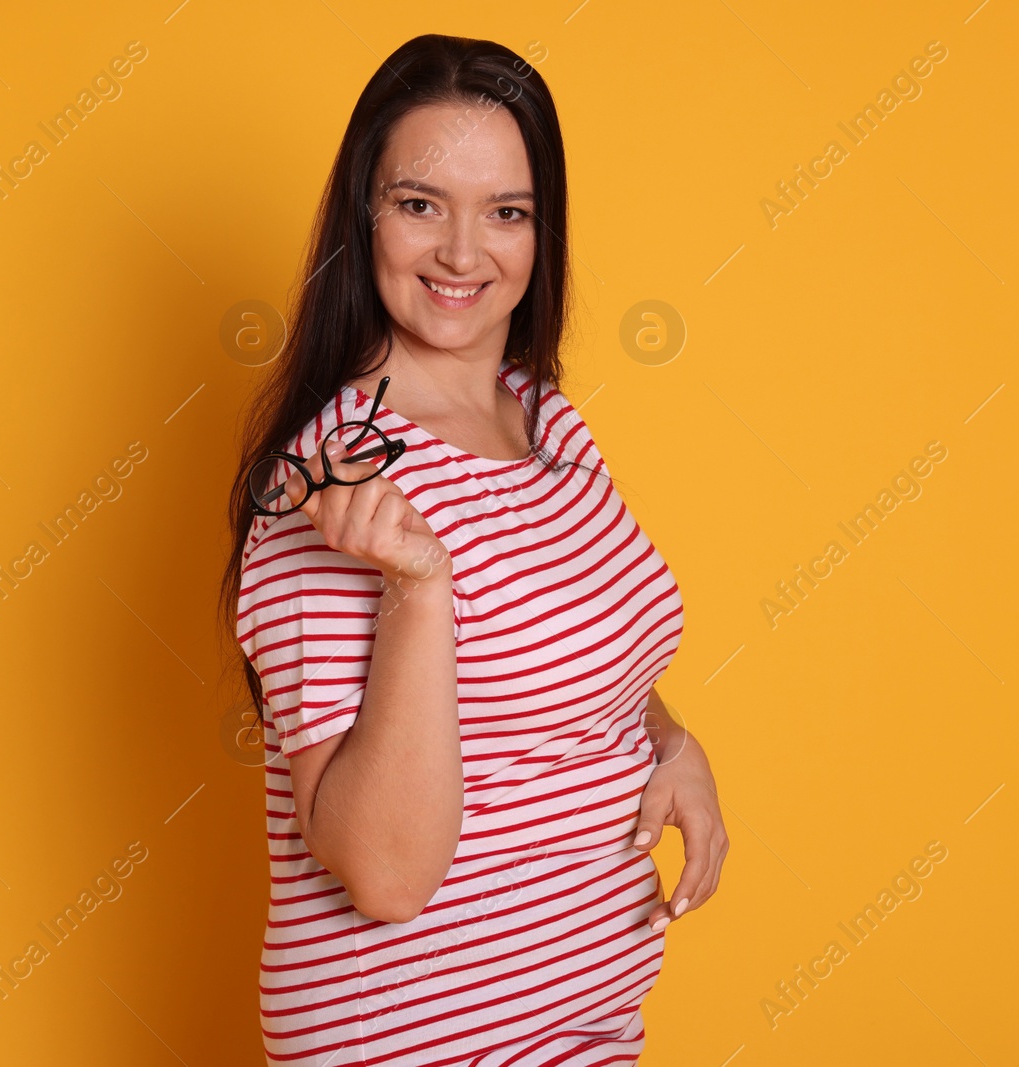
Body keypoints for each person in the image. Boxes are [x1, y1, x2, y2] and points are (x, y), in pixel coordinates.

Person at [220, 33, 728, 1065]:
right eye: (419, 203)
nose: (462, 252)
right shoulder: (333, 480)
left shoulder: (539, 417)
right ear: (361, 217)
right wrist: (421, 588)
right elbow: (384, 870)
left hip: (583, 1030)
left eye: (506, 211)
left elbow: (569, 644)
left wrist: (673, 744)